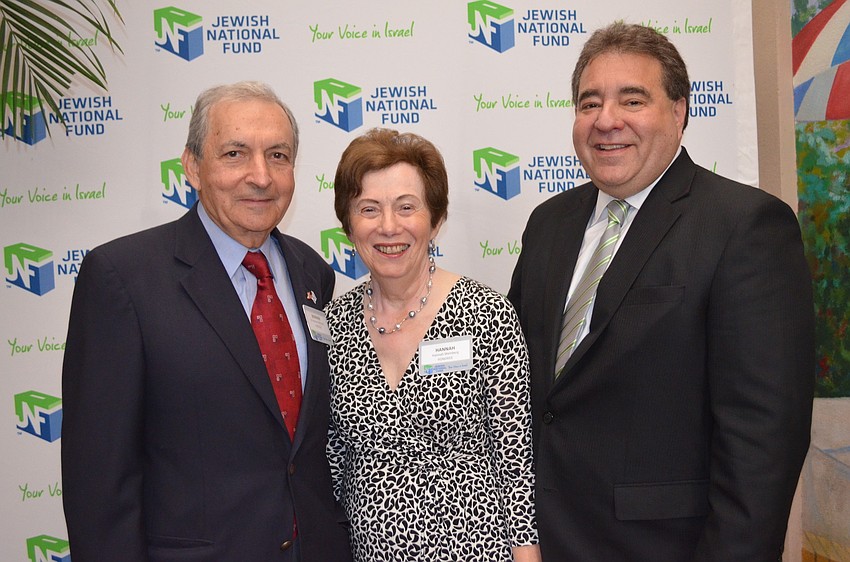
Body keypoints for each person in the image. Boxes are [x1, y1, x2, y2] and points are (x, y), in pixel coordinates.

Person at [508, 22, 815, 561]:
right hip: (542, 544)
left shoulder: (745, 226)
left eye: (632, 99)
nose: (607, 121)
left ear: (679, 112)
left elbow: (762, 444)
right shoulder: (548, 224)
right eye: (589, 103)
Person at [61, 81, 351, 561]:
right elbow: (99, 482)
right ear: (192, 166)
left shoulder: (311, 270)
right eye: (235, 153)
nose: (261, 176)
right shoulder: (122, 279)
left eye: (278, 155)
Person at [325, 128, 541, 562]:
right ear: (349, 225)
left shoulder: (486, 315)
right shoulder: (332, 326)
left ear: (436, 219)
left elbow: (516, 462)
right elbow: (331, 462)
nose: (389, 226)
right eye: (369, 209)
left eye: (407, 207)